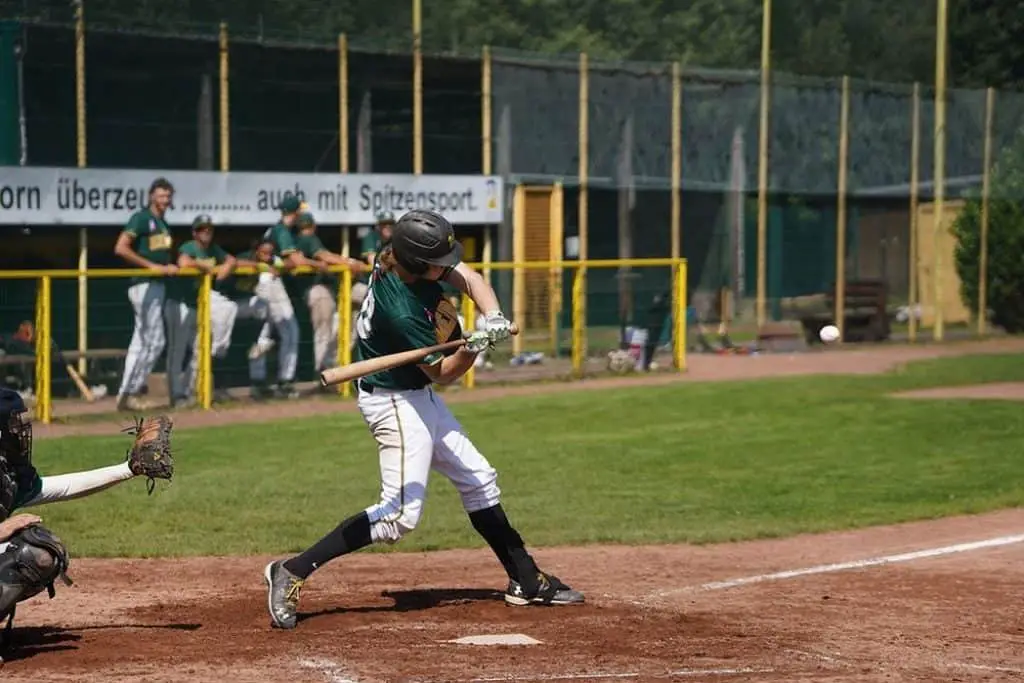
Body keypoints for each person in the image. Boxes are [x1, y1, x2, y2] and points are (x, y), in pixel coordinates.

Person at [263, 209, 583, 631]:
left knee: (478, 478)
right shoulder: (402, 311)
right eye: (439, 260)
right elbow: (444, 373)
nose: (448, 264)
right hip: (392, 401)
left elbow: (469, 278)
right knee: (398, 516)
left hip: (415, 393)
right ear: (416, 263)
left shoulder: (401, 256)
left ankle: (525, 578)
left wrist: (492, 317)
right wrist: (472, 349)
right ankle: (292, 569)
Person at [0, 388, 172, 642]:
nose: (19, 432)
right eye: (11, 424)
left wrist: (128, 470)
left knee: (39, 551)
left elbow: (58, 488)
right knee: (23, 554)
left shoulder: (8, 472)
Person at [169, 215, 269, 404]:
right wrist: (204, 267)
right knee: (178, 351)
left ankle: (192, 392)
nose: (206, 233)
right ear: (194, 232)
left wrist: (230, 265)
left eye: (209, 229)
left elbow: (232, 260)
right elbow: (183, 262)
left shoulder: (213, 249)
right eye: (202, 229)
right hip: (180, 303)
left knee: (200, 350)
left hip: (199, 304)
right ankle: (176, 395)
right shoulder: (190, 247)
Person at [112, 177, 179, 412]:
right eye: (161, 195)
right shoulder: (142, 218)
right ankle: (133, 390)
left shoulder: (163, 223)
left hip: (156, 285)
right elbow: (121, 247)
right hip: (144, 284)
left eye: (168, 196)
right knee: (155, 340)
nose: (165, 200)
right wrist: (151, 266)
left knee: (139, 342)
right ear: (151, 196)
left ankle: (125, 394)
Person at [247, 196, 321, 400]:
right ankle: (285, 381)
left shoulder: (276, 230)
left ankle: (258, 381)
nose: (301, 216)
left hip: (264, 281)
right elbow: (295, 260)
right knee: (290, 331)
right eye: (299, 212)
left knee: (264, 333)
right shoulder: (281, 230)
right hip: (270, 282)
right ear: (294, 213)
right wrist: (317, 265)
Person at [293, 211, 366, 376]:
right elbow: (323, 256)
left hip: (324, 290)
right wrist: (349, 262)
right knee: (325, 331)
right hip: (316, 290)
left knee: (340, 328)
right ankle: (323, 373)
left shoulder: (300, 239)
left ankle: (331, 372)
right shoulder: (307, 238)